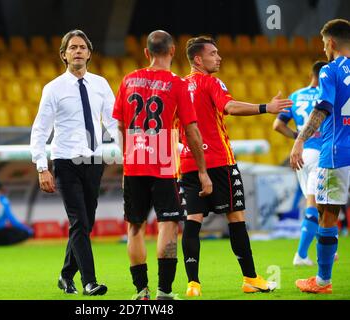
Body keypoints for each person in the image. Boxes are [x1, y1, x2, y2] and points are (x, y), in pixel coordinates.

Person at [179, 36, 293, 296]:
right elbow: (229, 106)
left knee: (192, 221)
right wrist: (267, 107)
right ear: (198, 59)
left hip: (188, 162)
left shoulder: (179, 86)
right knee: (236, 218)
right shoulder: (211, 82)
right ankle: (250, 278)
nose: (219, 57)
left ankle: (193, 284)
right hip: (219, 161)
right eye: (213, 53)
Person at [113, 30, 212, 300]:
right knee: (167, 225)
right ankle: (164, 292)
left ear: (146, 53)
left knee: (135, 228)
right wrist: (202, 171)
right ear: (172, 51)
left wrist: (128, 156)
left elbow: (119, 124)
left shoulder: (129, 80)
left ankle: (141, 291)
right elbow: (191, 131)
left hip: (134, 163)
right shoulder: (178, 84)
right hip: (163, 163)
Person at [30, 29, 117, 296]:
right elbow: (40, 130)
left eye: (82, 47)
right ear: (63, 55)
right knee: (79, 220)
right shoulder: (53, 88)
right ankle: (89, 282)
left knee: (85, 223)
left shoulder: (101, 84)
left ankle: (66, 275)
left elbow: (114, 123)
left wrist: (132, 155)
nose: (77, 51)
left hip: (94, 161)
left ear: (89, 53)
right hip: (65, 162)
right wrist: (42, 167)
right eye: (72, 47)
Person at [290, 19, 350, 294]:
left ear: (332, 43)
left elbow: (322, 108)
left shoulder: (330, 70)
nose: (324, 49)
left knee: (327, 213)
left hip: (337, 151)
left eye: (324, 44)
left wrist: (299, 140)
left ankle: (322, 280)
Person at [273, 61, 327, 266]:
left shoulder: (295, 96)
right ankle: (302, 255)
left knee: (315, 202)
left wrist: (298, 136)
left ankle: (328, 245)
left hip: (301, 152)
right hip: (320, 153)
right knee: (316, 204)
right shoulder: (327, 95)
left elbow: (277, 125)